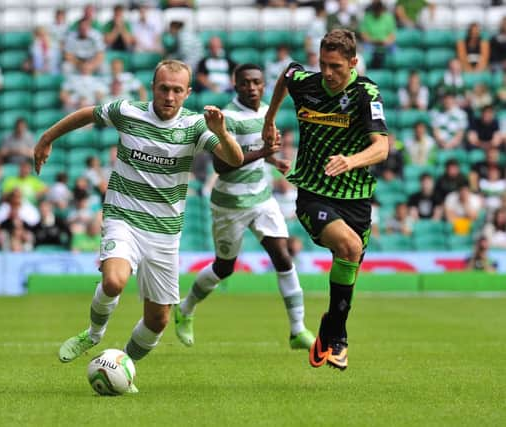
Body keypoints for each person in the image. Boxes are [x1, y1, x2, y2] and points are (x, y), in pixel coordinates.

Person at [33, 59, 243, 392]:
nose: (169, 96)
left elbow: (235, 159)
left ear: (187, 92)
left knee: (158, 320)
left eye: (177, 90)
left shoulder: (195, 126)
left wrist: (221, 133)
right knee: (114, 281)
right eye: (164, 88)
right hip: (123, 217)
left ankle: (121, 365)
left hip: (164, 232)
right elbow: (88, 113)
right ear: (152, 88)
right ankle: (93, 334)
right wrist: (48, 137)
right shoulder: (128, 111)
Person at [262, 29, 389, 371]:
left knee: (350, 265)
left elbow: (382, 146)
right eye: (323, 64)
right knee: (348, 247)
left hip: (356, 197)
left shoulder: (366, 94)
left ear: (353, 63)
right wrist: (269, 118)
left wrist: (351, 160)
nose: (328, 73)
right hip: (314, 193)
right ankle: (339, 341)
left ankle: (331, 328)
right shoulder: (307, 82)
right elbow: (287, 74)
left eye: (335, 66)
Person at [174, 64, 315, 351]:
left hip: (262, 199)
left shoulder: (266, 112)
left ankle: (298, 330)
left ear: (264, 86)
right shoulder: (229, 118)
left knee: (283, 257)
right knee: (224, 268)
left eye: (257, 82)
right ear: (235, 85)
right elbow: (222, 165)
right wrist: (265, 153)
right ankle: (185, 308)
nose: (252, 87)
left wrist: (273, 161)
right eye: (245, 83)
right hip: (230, 205)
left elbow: (259, 152)